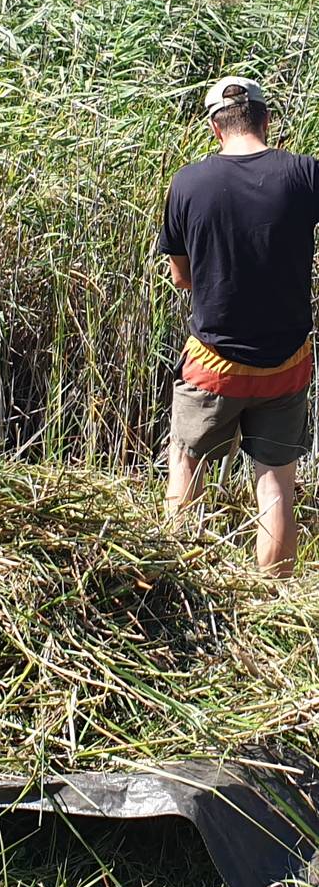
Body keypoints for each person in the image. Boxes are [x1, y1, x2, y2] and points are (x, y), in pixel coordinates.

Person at [159, 76, 317, 577]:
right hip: (286, 365)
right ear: (267, 120)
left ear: (214, 128)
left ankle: (176, 587)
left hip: (214, 364)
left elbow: (181, 277)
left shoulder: (188, 182)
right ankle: (272, 602)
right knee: (275, 485)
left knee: (185, 466)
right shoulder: (304, 175)